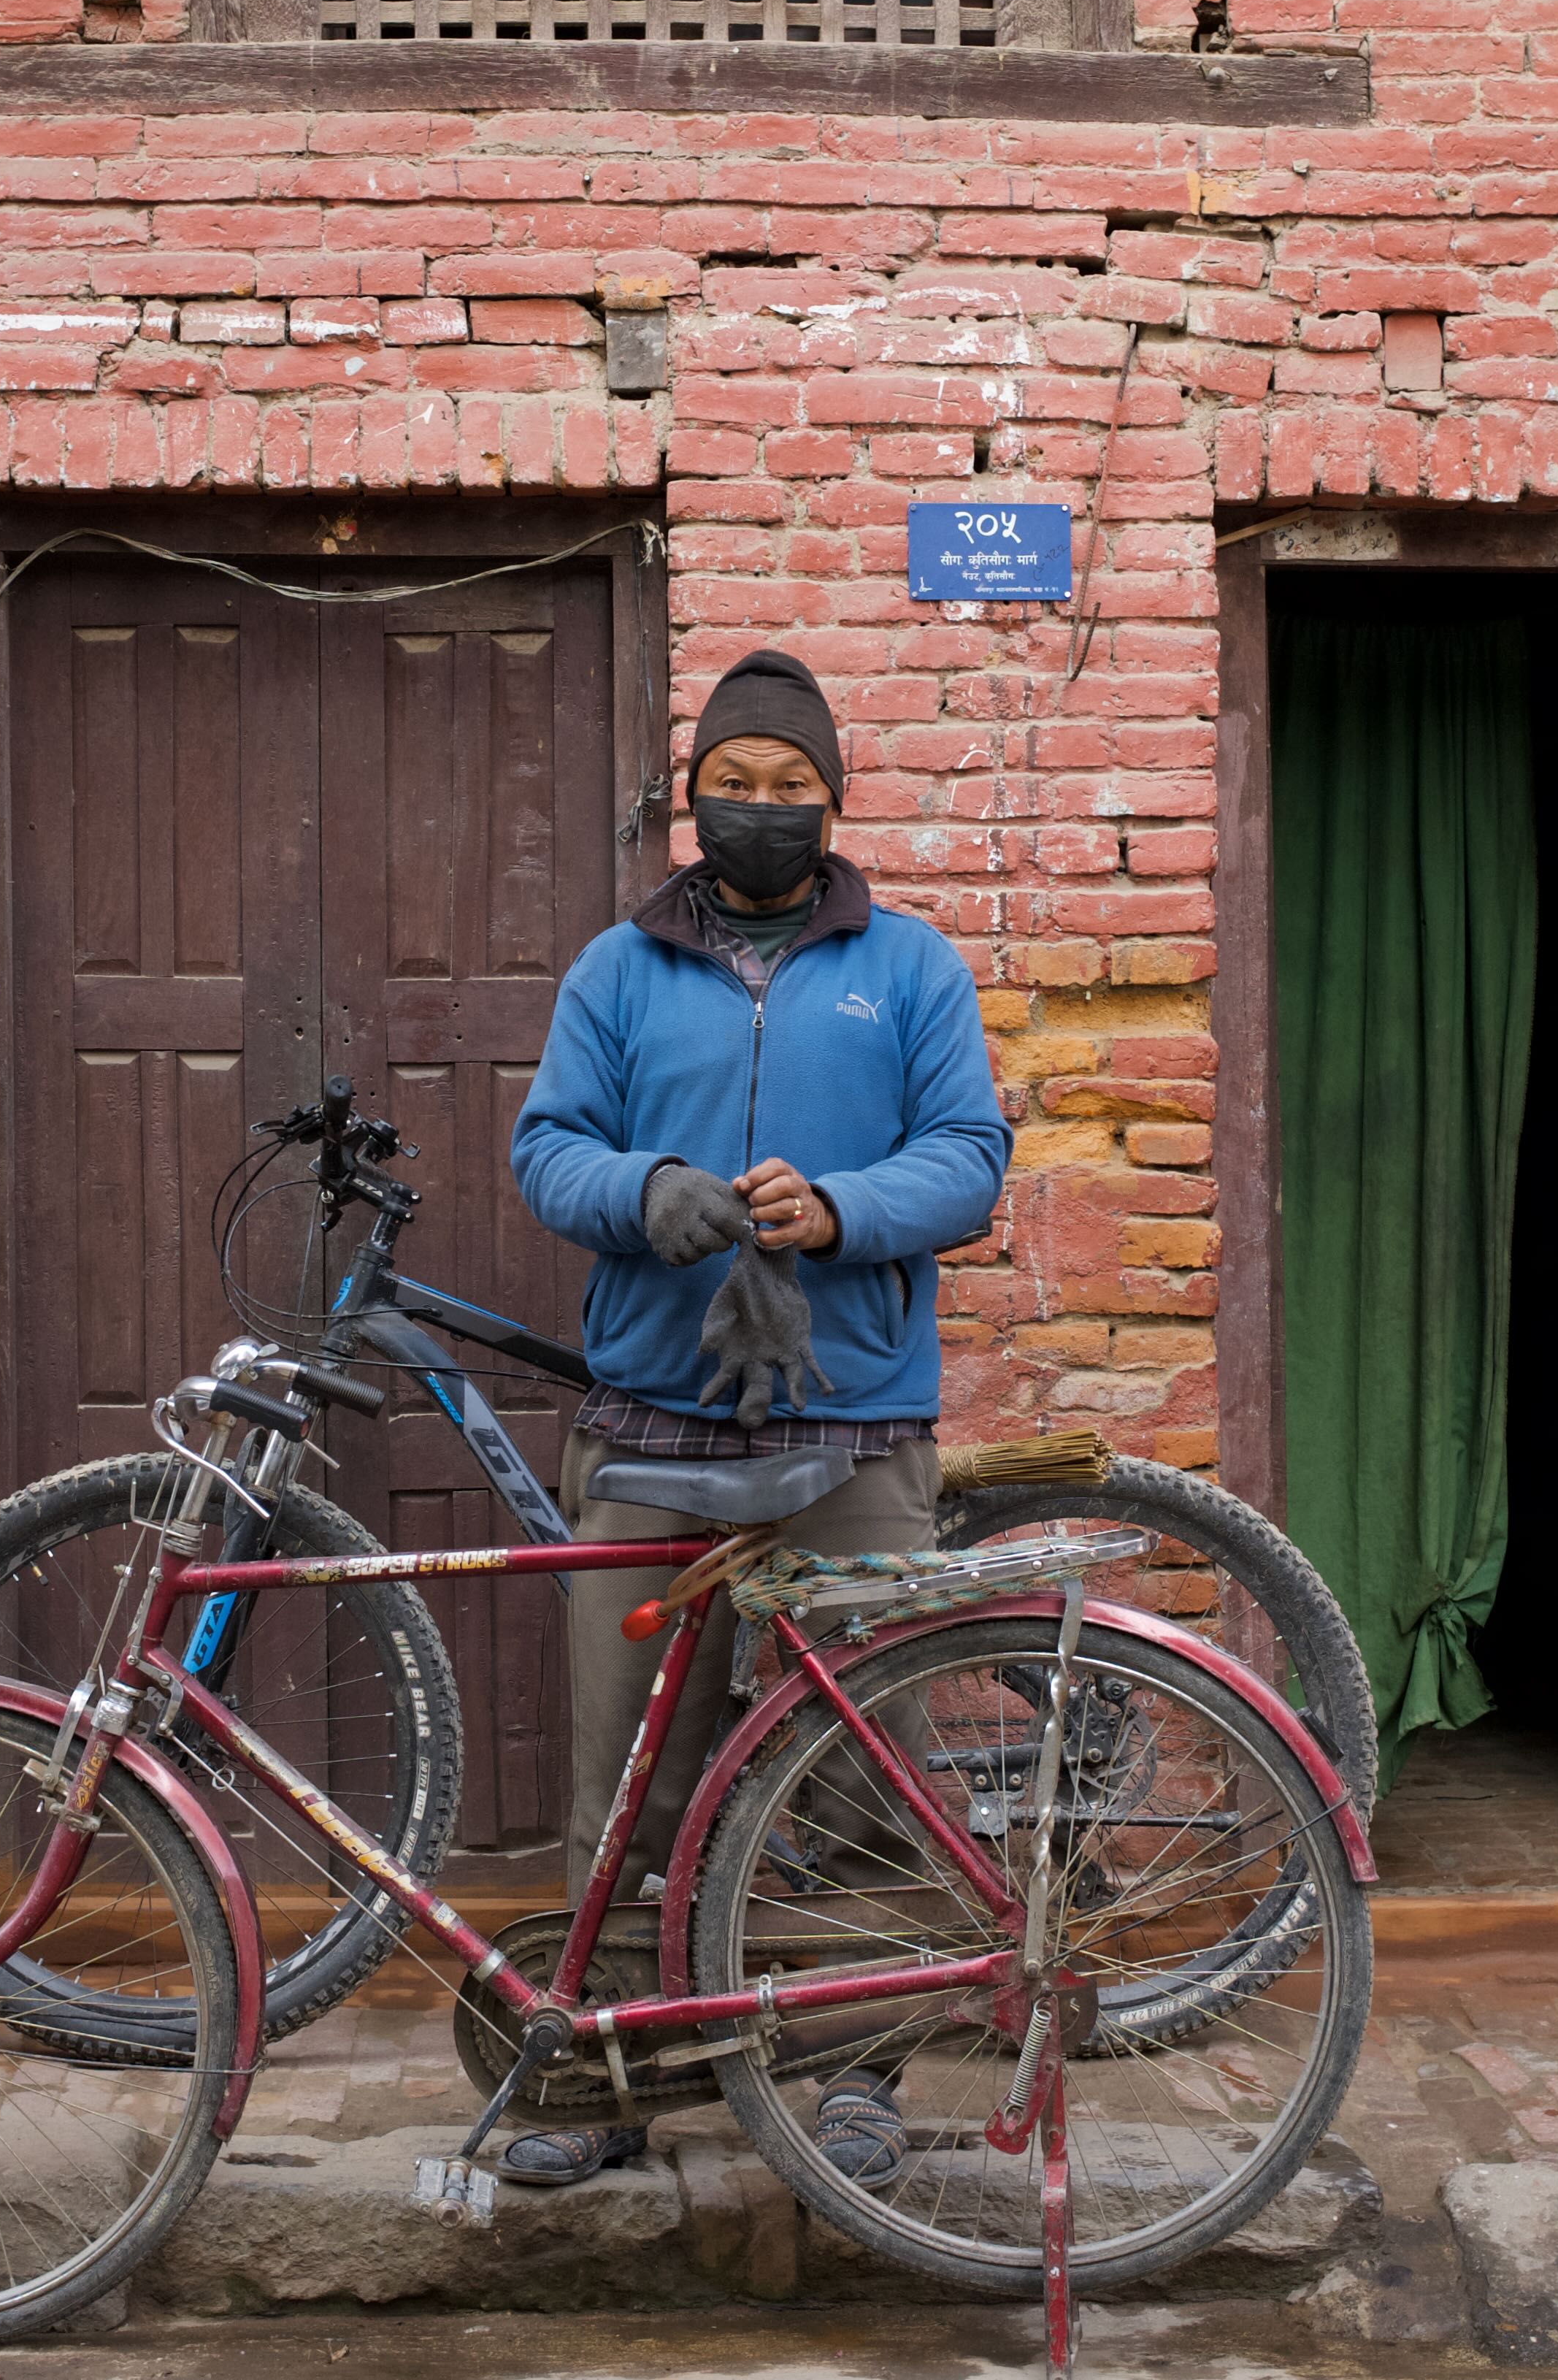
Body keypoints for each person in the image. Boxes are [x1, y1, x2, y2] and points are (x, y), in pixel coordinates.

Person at [502, 644, 1010, 2189]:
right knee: (625, 1776)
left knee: (857, 1769)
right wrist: (641, 1192)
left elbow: (969, 1157)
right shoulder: (614, 970)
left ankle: (848, 2073)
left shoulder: (908, 967)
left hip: (852, 1431)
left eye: (792, 789)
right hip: (650, 1426)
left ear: (834, 806)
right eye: (735, 785)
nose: (762, 811)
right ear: (691, 799)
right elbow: (544, 1149)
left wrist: (840, 1207)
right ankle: (603, 2074)